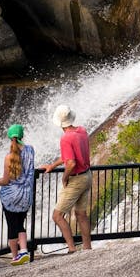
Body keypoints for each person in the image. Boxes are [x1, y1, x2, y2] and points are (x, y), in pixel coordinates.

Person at [42, 105, 92, 252]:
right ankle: (87, 247)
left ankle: (71, 248)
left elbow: (70, 162)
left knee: (57, 216)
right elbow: (68, 157)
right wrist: (53, 165)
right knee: (81, 214)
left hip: (76, 179)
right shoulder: (82, 131)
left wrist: (65, 177)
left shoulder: (66, 138)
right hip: (87, 176)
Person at [0, 123, 35, 265]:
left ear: (10, 137)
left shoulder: (9, 157)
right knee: (20, 224)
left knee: (11, 225)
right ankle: (24, 251)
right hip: (26, 195)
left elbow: (5, 180)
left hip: (10, 196)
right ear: (22, 135)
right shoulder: (31, 150)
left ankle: (15, 257)